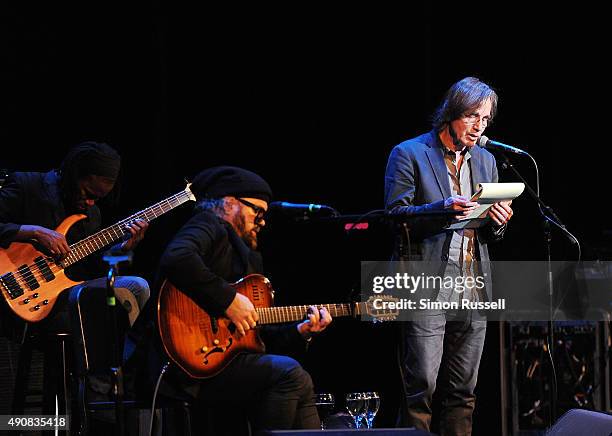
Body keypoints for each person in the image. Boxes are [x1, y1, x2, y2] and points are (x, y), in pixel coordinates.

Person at [150, 166, 332, 434]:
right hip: (190, 369)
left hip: (227, 364)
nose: (262, 221)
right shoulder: (209, 224)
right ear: (228, 202)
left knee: (298, 380)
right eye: (256, 211)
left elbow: (257, 335)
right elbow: (177, 258)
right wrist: (227, 301)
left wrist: (299, 332)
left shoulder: (250, 257)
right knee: (290, 375)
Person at [384, 77, 513, 435]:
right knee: (420, 389)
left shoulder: (486, 160)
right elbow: (395, 218)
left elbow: (489, 229)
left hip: (473, 289)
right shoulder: (409, 153)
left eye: (485, 120)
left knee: (463, 393)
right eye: (472, 116)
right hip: (426, 286)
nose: (479, 126)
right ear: (452, 113)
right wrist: (441, 209)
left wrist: (499, 221)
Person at [0, 141, 150, 331]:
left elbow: (89, 270)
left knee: (136, 287)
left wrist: (121, 250)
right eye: (87, 193)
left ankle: (119, 360)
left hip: (62, 295)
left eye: (97, 198)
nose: (90, 202)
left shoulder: (91, 214)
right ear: (73, 174)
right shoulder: (27, 185)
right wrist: (35, 231)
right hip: (11, 290)